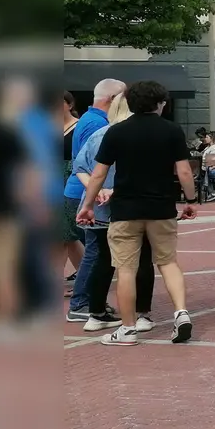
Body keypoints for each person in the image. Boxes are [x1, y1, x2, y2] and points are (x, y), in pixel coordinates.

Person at [75, 80, 197, 346]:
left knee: (125, 269)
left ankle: (128, 329)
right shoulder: (172, 130)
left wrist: (87, 205)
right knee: (168, 262)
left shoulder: (116, 132)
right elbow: (184, 171)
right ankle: (181, 313)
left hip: (125, 210)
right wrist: (190, 200)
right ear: (160, 104)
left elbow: (99, 173)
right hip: (161, 208)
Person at [71, 93, 156, 333]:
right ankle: (142, 314)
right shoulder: (137, 136)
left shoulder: (99, 134)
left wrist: (95, 191)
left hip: (98, 207)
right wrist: (111, 190)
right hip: (130, 206)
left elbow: (80, 167)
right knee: (140, 259)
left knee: (102, 260)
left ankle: (95, 312)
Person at [64, 79, 125, 298]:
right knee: (97, 252)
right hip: (90, 195)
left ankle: (87, 301)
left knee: (94, 251)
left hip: (85, 193)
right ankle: (83, 302)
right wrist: (98, 190)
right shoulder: (99, 125)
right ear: (113, 99)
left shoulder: (90, 119)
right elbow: (92, 167)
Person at [0, 85, 39, 328]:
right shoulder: (8, 133)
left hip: (3, 207)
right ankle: (5, 319)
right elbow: (27, 174)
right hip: (3, 207)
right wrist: (33, 203)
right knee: (4, 266)